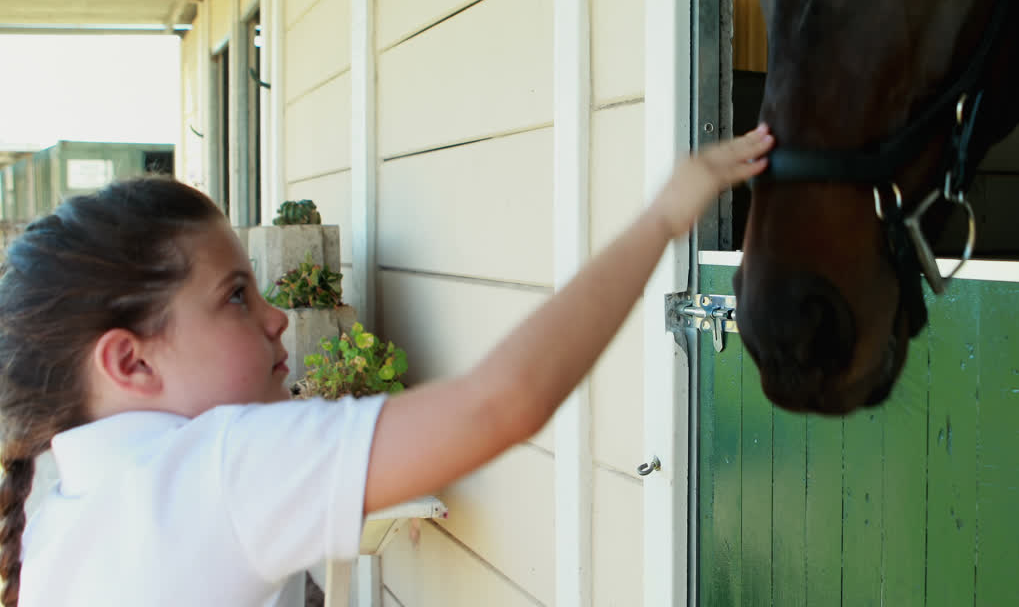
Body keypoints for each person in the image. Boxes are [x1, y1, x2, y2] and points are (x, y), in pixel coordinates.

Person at [0, 125, 773, 606]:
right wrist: (669, 212)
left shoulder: (58, 502)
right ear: (130, 361)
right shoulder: (214, 468)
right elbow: (501, 404)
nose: (276, 317)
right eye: (236, 296)